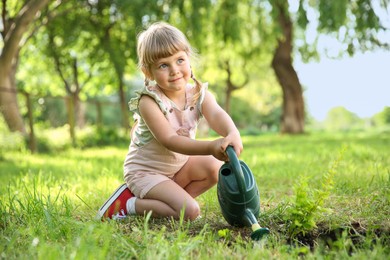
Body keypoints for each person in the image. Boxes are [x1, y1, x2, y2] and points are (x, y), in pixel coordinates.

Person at [97, 22, 243, 221]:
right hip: (146, 173)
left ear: (189, 60)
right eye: (163, 65)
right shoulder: (149, 102)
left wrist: (232, 133)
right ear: (148, 72)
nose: (174, 70)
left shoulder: (198, 94)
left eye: (180, 60)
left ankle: (173, 204)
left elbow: (217, 115)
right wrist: (210, 146)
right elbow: (170, 140)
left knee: (214, 168)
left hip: (177, 169)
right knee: (190, 212)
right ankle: (128, 204)